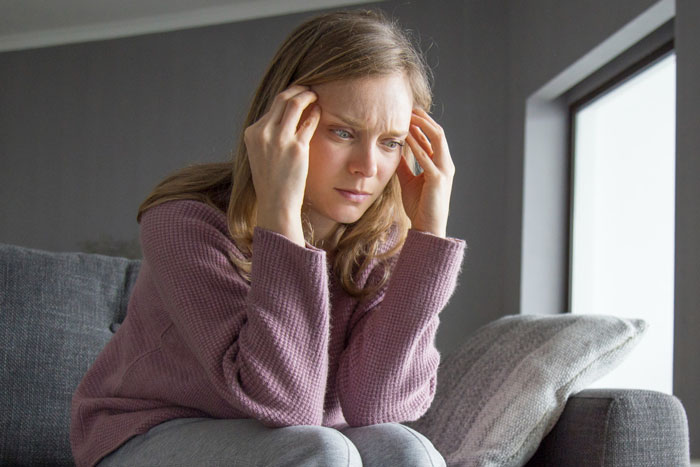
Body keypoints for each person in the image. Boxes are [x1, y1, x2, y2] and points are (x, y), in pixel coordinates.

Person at [70, 8, 465, 467]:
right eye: (343, 132)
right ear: (283, 124)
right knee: (321, 450)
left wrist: (428, 239)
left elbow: (378, 407)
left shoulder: (379, 240)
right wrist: (281, 212)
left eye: (391, 142)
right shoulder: (185, 222)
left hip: (289, 443)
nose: (368, 167)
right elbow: (286, 404)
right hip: (147, 433)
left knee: (405, 451)